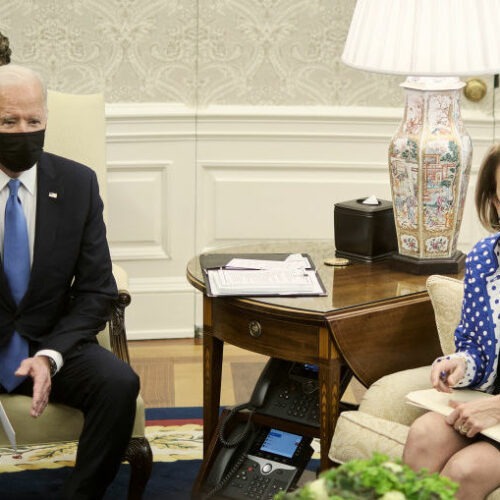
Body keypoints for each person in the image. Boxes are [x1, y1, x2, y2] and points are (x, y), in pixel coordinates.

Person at [0, 63, 140, 499]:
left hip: (51, 339)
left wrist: (49, 356)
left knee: (119, 384)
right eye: (8, 121)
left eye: (33, 121)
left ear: (46, 119)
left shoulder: (78, 183)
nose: (23, 131)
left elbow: (97, 288)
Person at [403, 143, 500, 500]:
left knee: (466, 469)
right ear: (493, 202)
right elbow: (476, 344)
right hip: (484, 405)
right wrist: (459, 362)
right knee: (423, 435)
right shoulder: (485, 259)